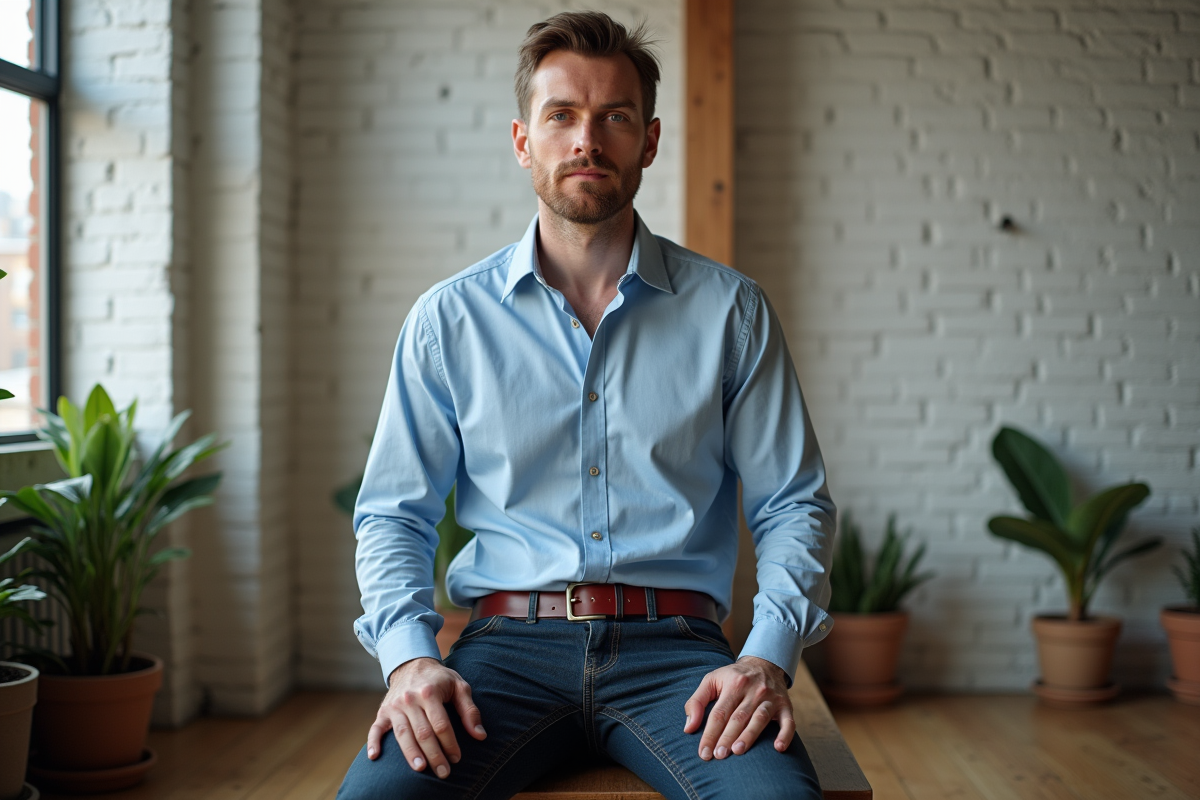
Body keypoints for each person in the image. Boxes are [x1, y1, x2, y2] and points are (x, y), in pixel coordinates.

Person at [337, 11, 834, 800]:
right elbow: (394, 514)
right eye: (562, 115)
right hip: (503, 655)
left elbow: (793, 504)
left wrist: (767, 656)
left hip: (678, 655)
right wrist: (409, 658)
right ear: (522, 140)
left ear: (651, 140)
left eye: (615, 117)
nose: (588, 140)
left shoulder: (732, 313)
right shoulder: (448, 321)